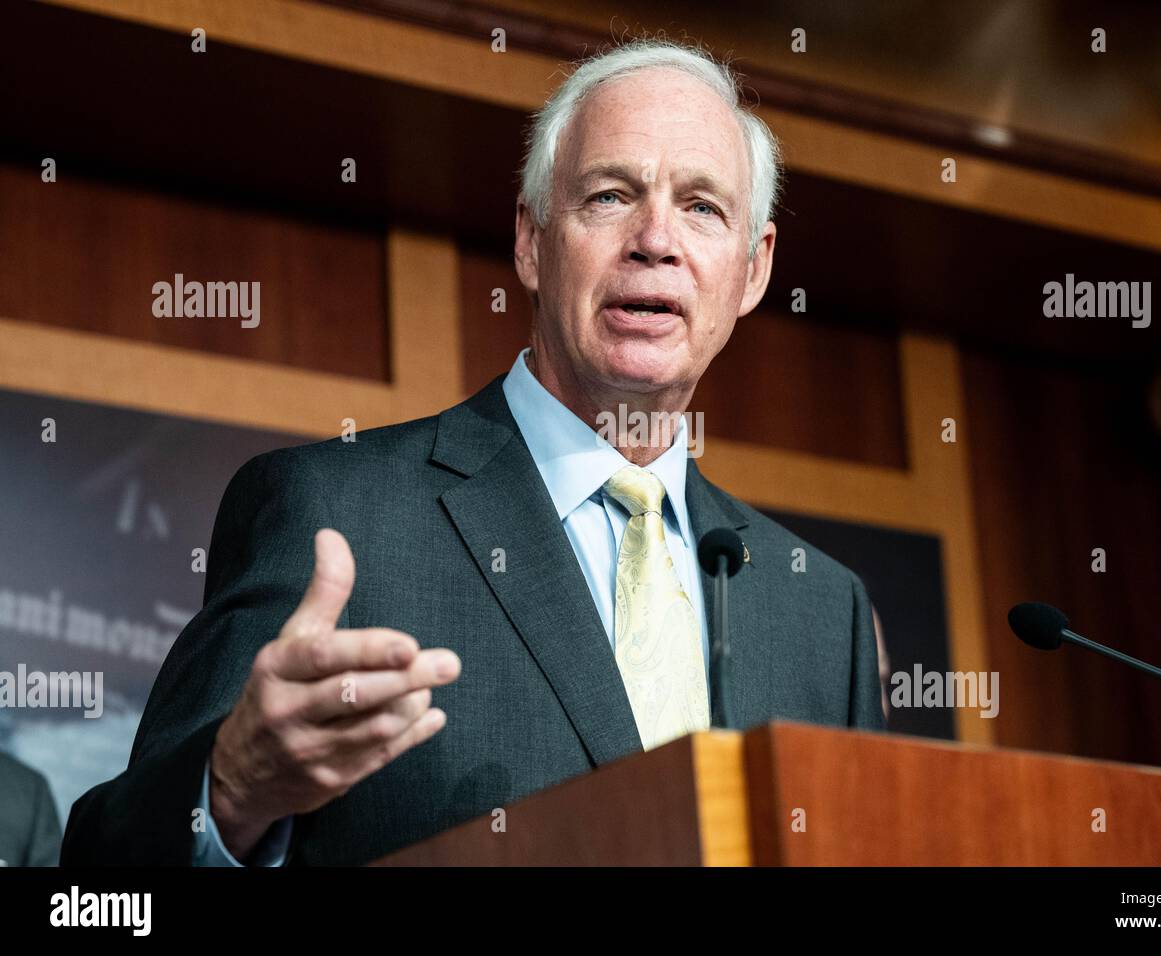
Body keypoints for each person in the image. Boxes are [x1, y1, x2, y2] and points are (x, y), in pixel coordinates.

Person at [62, 39, 885, 867]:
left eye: (703, 207)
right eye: (609, 195)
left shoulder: (822, 613)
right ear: (530, 241)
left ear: (752, 270)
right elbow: (100, 884)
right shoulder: (336, 516)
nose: (656, 239)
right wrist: (232, 793)